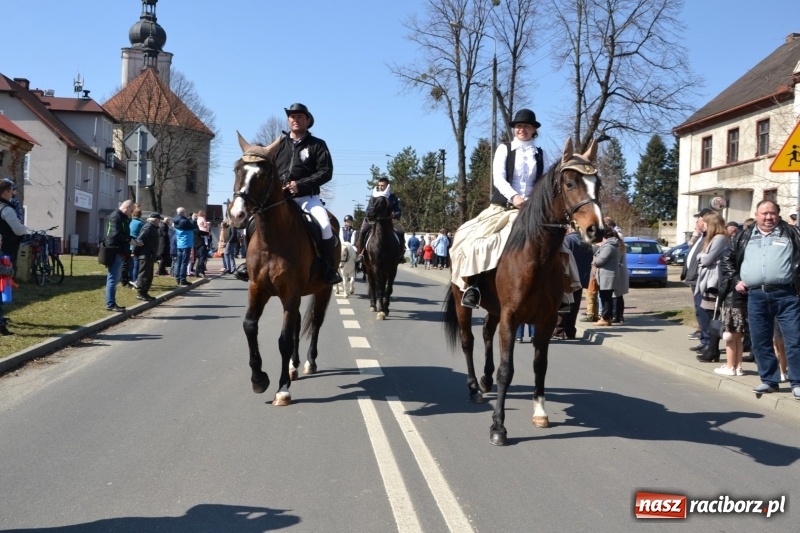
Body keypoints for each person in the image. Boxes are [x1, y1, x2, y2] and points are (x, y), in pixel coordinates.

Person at [236, 103, 341, 285]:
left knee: (325, 226)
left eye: (300, 117)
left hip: (307, 198)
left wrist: (300, 185)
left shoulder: (317, 145)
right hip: (279, 199)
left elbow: (326, 172)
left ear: (308, 121)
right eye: (292, 117)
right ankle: (248, 264)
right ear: (288, 120)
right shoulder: (278, 146)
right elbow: (266, 172)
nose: (296, 120)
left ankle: (328, 268)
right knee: (251, 224)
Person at [451, 108, 546, 308]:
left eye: (526, 126)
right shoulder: (505, 149)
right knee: (478, 241)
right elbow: (499, 178)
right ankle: (473, 286)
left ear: (533, 130)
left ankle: (560, 292)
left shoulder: (540, 153)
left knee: (559, 245)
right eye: (519, 126)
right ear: (514, 129)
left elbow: (543, 183)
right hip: (504, 206)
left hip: (533, 210)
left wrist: (533, 202)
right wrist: (515, 197)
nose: (522, 129)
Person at [721, 200, 800, 399]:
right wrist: (736, 280)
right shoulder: (744, 236)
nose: (768, 217)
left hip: (787, 294)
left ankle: (797, 382)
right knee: (760, 340)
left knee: (794, 340)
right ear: (756, 215)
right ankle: (769, 380)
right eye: (764, 213)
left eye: (772, 213)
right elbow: (727, 260)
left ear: (778, 215)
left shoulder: (792, 234)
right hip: (755, 296)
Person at [694, 211, 730, 362]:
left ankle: (713, 349)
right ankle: (711, 348)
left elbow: (706, 259)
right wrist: (703, 258)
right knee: (706, 313)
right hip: (708, 280)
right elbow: (702, 257)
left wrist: (703, 258)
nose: (705, 226)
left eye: (707, 224)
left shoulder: (720, 238)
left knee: (712, 314)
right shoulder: (713, 238)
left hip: (714, 282)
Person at [554, 227, 594, 339]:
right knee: (574, 307)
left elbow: (564, 258)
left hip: (568, 278)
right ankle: (571, 331)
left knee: (564, 305)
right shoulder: (587, 242)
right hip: (581, 279)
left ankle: (560, 331)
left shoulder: (568, 240)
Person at [357, 177, 405, 264]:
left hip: (390, 221)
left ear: (387, 186)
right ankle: (361, 253)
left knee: (401, 231)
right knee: (363, 231)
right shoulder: (374, 197)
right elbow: (368, 209)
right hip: (374, 221)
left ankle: (401, 254)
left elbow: (398, 211)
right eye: (379, 185)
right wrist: (369, 214)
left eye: (382, 185)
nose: (380, 187)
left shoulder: (393, 198)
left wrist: (394, 214)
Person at [683, 208, 712, 353]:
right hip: (694, 280)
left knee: (704, 312)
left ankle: (708, 343)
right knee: (699, 312)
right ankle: (704, 340)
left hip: (702, 281)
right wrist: (695, 235)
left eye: (698, 219)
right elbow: (690, 249)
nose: (697, 222)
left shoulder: (710, 237)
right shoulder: (701, 236)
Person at [104, 199, 134, 312]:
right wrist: (129, 240)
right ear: (126, 207)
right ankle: (110, 303)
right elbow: (115, 233)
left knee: (113, 278)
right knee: (113, 278)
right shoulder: (116, 216)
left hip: (118, 249)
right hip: (114, 250)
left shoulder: (121, 217)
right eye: (131, 211)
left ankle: (111, 302)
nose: (131, 214)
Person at [592, 228, 620, 326]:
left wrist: (595, 261)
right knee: (606, 296)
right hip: (606, 275)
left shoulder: (608, 246)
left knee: (606, 297)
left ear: (605, 237)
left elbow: (601, 260)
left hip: (607, 276)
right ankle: (607, 317)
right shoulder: (613, 245)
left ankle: (605, 318)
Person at [0, 179, 28, 271]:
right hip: (6, 248)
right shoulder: (7, 210)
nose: (12, 194)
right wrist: (24, 228)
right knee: (6, 277)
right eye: (11, 191)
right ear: (5, 193)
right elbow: (18, 230)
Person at [133, 213, 162, 301]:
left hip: (150, 255)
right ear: (155, 219)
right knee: (144, 275)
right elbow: (140, 239)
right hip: (145, 255)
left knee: (149, 276)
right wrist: (136, 252)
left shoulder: (153, 228)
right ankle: (140, 293)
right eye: (159, 219)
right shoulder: (148, 227)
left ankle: (145, 293)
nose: (160, 221)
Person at [173, 207, 196, 286]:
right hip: (186, 243)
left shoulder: (176, 220)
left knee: (178, 262)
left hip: (179, 243)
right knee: (184, 262)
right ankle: (183, 279)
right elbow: (193, 226)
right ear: (183, 213)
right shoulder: (184, 221)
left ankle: (177, 278)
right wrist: (194, 220)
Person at [612, 232, 629, 324]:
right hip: (621, 272)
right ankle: (620, 316)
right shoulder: (621, 245)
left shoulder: (616, 246)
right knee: (619, 295)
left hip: (617, 272)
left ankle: (616, 316)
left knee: (615, 295)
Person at [127, 206, 144, 288]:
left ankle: (129, 279)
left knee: (130, 264)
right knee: (136, 264)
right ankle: (135, 280)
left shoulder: (130, 221)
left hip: (128, 243)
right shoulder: (141, 223)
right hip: (136, 244)